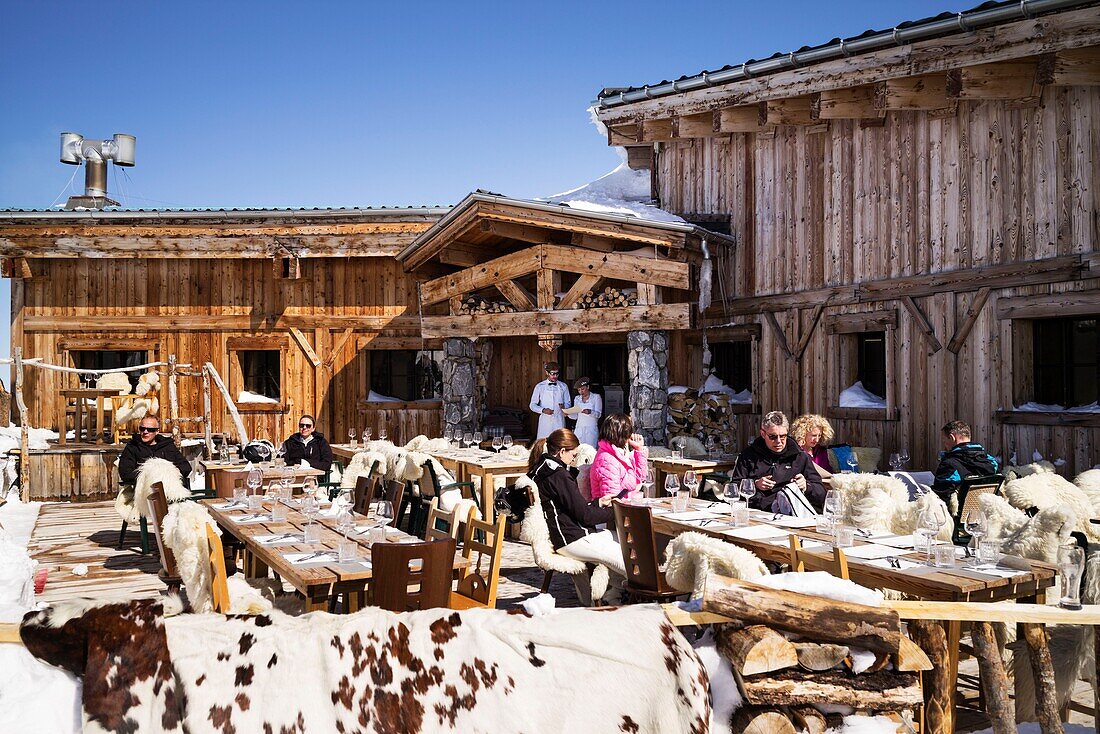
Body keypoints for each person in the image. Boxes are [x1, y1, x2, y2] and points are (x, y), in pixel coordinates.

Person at [528, 428, 626, 579]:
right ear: (562, 452)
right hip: (570, 539)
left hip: (564, 534)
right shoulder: (558, 475)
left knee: (620, 539)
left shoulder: (541, 468)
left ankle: (615, 593)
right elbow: (585, 516)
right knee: (626, 558)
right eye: (573, 455)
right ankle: (645, 590)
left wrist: (598, 502)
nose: (574, 460)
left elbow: (572, 508)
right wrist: (618, 511)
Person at [731, 410, 825, 515]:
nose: (779, 441)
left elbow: (821, 493)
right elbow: (733, 488)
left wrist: (806, 486)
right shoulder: (748, 455)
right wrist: (754, 485)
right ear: (763, 434)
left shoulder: (800, 457)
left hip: (789, 515)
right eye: (773, 437)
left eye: (783, 436)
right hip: (757, 512)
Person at [932, 420, 1000, 500]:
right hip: (984, 509)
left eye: (944, 441)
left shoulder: (950, 465)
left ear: (952, 437)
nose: (944, 446)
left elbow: (940, 497)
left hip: (957, 512)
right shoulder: (990, 461)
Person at [118, 415, 192, 488]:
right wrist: (150, 476)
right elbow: (125, 473)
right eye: (142, 428)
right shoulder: (133, 447)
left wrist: (169, 473)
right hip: (142, 490)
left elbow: (186, 467)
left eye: (150, 429)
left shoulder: (167, 446)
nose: (145, 432)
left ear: (157, 431)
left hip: (169, 488)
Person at [588, 413, 649, 502]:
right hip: (616, 512)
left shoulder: (618, 454)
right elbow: (611, 500)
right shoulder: (607, 460)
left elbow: (639, 479)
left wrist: (639, 450)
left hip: (626, 506)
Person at [529, 361, 571, 440]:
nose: (555, 376)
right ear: (546, 372)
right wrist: (543, 410)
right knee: (544, 444)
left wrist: (564, 407)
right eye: (552, 373)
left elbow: (568, 403)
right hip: (545, 422)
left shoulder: (563, 386)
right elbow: (532, 405)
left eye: (557, 374)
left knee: (559, 443)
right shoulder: (539, 386)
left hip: (559, 421)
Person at [791, 413, 835, 479]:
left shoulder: (820, 451)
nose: (817, 440)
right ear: (803, 433)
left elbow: (828, 473)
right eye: (814, 435)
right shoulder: (795, 451)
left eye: (819, 435)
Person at [571, 377, 602, 448]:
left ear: (587, 387)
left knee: (591, 450)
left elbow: (599, 414)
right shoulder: (577, 399)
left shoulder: (596, 397)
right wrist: (568, 414)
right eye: (579, 390)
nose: (581, 392)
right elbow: (575, 416)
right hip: (579, 428)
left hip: (591, 429)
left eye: (582, 389)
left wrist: (590, 412)